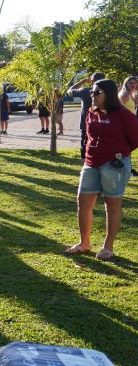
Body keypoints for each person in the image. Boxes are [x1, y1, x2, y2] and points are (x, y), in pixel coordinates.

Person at [64, 79, 138, 260]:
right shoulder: (92, 112)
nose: (92, 95)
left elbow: (135, 139)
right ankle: (84, 243)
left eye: (96, 92)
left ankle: (108, 247)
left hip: (114, 165)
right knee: (83, 201)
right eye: (91, 92)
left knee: (112, 204)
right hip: (91, 163)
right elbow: (89, 137)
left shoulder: (123, 114)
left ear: (109, 94)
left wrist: (120, 153)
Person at [68, 72, 106, 159]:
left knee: (85, 143)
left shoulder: (85, 91)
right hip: (103, 123)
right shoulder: (108, 92)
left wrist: (84, 81)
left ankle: (85, 162)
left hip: (87, 123)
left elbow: (70, 91)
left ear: (91, 81)